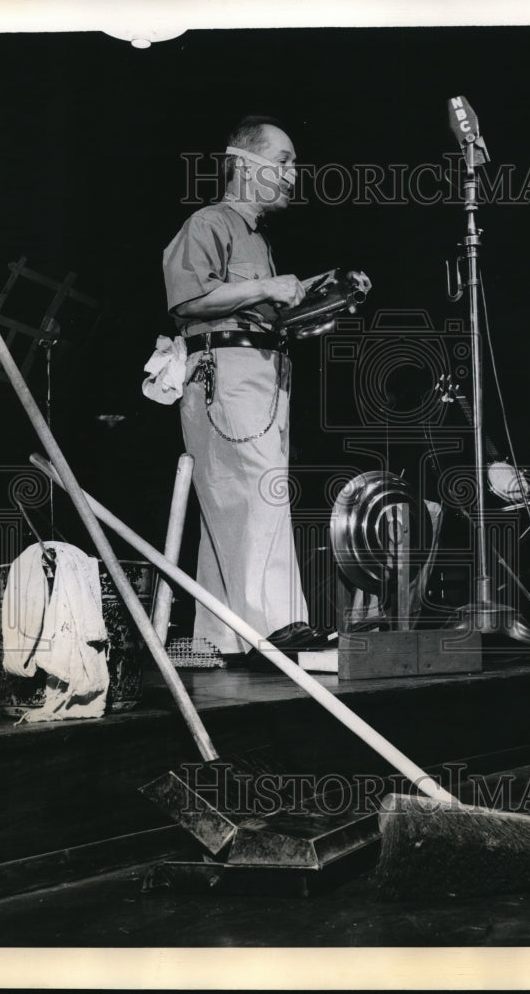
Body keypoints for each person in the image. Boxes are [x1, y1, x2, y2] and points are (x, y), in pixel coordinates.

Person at [162, 116, 353, 660]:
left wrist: (316, 294)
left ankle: (219, 636)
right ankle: (276, 625)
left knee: (233, 502)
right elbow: (187, 299)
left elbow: (254, 306)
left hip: (260, 373)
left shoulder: (256, 237)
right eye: (284, 161)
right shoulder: (209, 222)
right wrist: (268, 287)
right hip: (225, 373)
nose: (293, 174)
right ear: (245, 166)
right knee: (259, 491)